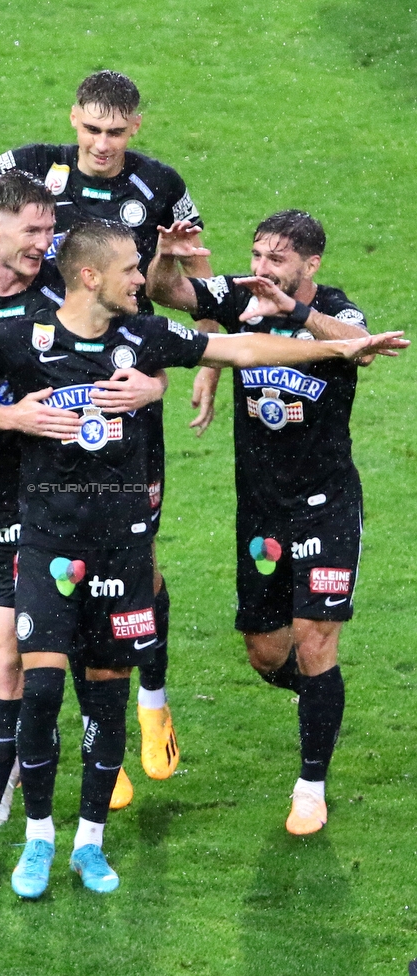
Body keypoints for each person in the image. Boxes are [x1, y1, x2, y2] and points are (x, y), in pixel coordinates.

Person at [0, 219, 405, 892]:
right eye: (132, 268)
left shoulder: (144, 337)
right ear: (92, 277)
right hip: (48, 543)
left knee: (105, 704)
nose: (143, 279)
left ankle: (91, 844)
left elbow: (243, 349)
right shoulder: (25, 339)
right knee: (40, 690)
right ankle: (39, 838)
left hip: (125, 548)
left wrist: (352, 344)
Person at [0, 69, 216, 796]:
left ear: (135, 127)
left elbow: (185, 284)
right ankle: (59, 742)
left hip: (121, 405)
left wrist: (187, 369)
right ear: (73, 120)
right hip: (45, 395)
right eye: (91, 130)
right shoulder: (31, 166)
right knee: (43, 593)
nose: (102, 145)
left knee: (129, 564)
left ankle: (148, 703)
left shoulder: (163, 186)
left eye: (116, 132)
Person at [0, 171, 165, 883]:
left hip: (39, 504)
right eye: (32, 231)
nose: (43, 244)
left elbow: (135, 345)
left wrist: (160, 384)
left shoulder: (65, 292)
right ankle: (12, 753)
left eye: (51, 232)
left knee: (12, 665)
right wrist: (10, 417)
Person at [146, 209, 398, 835]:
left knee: (315, 642)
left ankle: (310, 786)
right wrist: (167, 254)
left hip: (326, 504)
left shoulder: (336, 312)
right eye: (258, 255)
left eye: (277, 260)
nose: (262, 270)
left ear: (310, 266)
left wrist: (295, 312)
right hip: (261, 512)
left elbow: (354, 344)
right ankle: (322, 697)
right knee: (266, 655)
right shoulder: (240, 296)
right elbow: (166, 293)